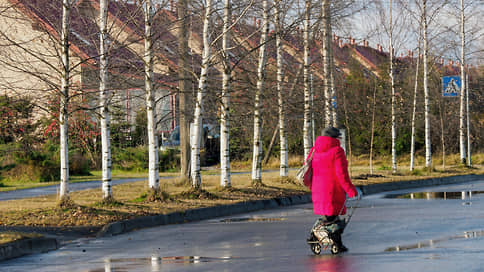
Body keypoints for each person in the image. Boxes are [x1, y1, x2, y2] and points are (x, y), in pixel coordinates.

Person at [307, 127, 360, 253]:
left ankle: (337, 243)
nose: (340, 140)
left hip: (318, 189)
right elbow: (341, 174)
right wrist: (351, 190)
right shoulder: (337, 151)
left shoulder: (314, 150)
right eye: (339, 137)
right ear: (334, 138)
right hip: (332, 190)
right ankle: (316, 237)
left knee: (332, 218)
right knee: (332, 219)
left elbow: (309, 168)